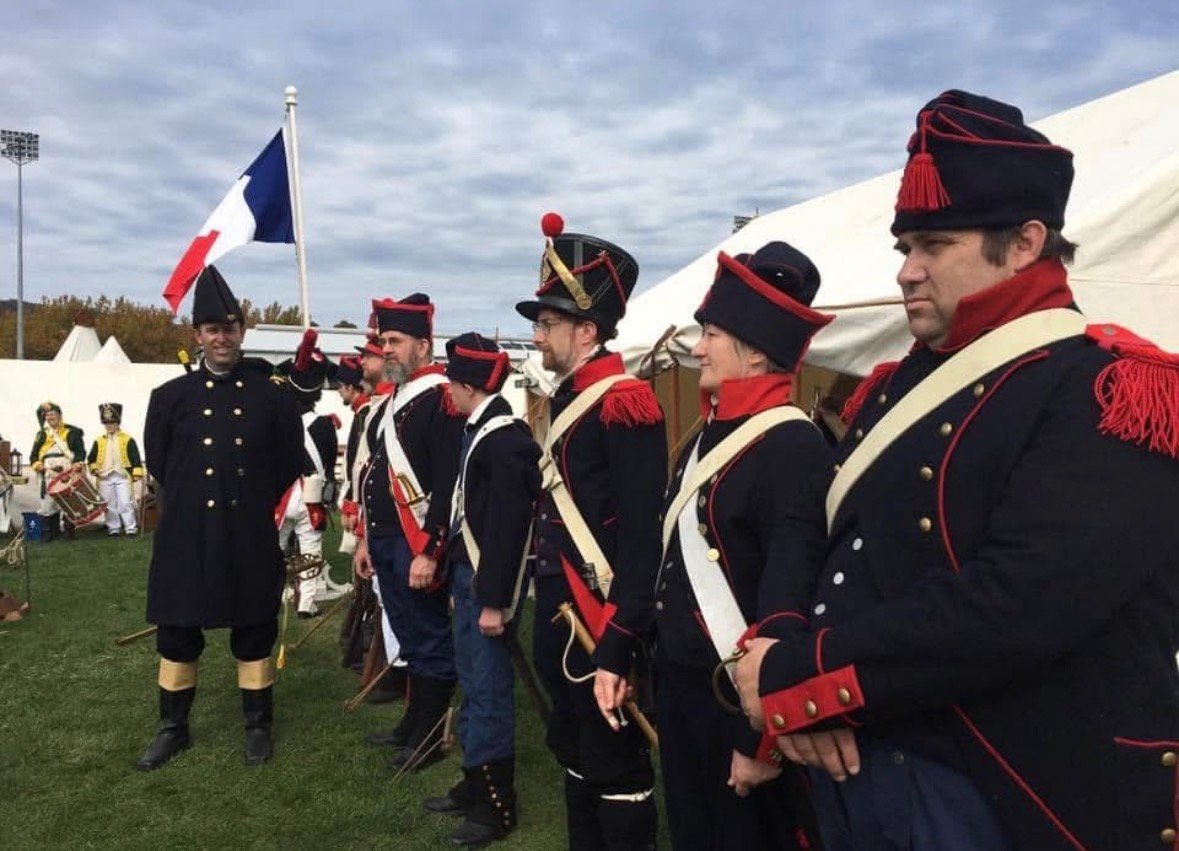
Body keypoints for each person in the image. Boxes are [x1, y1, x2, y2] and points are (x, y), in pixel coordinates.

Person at [733, 90, 1179, 850]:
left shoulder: (1108, 388)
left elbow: (1016, 604)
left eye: (933, 244)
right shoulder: (891, 388)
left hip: (1004, 788)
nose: (906, 271)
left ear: (1025, 241)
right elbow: (814, 519)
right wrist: (773, 646)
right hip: (859, 761)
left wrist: (801, 677)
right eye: (904, 247)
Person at [652, 243, 833, 850]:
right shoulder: (710, 434)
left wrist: (762, 741)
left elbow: (789, 601)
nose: (698, 347)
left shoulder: (792, 448)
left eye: (711, 334)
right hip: (683, 689)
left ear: (755, 351)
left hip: (741, 709)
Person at [516, 213, 667, 850]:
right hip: (560, 613)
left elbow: (641, 540)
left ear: (586, 329)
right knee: (575, 752)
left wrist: (619, 643)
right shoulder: (573, 399)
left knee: (616, 767)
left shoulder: (623, 402)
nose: (537, 333)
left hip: (602, 618)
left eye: (548, 322)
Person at [136, 265, 303, 771]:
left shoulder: (273, 398)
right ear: (198, 336)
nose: (222, 337)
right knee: (178, 632)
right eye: (212, 329)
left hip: (246, 531)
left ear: (242, 332)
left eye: (230, 328)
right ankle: (173, 728)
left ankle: (257, 725)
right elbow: (160, 463)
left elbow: (286, 463)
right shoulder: (169, 399)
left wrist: (245, 499)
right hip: (186, 534)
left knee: (253, 628)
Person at [421, 332, 541, 846]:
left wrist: (494, 600)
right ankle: (475, 785)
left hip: (489, 585)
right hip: (470, 579)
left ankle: (496, 807)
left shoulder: (506, 438)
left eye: (452, 380)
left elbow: (511, 527)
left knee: (490, 691)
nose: (447, 389)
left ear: (468, 384)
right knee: (472, 685)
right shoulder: (482, 431)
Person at [353, 293, 465, 772]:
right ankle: (412, 723)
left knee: (429, 639)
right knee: (408, 634)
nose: (388, 349)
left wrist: (431, 549)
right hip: (386, 539)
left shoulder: (440, 397)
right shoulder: (394, 399)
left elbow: (447, 481)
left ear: (425, 344)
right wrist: (365, 538)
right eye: (384, 341)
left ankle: (428, 736)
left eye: (396, 341)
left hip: (415, 541)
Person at [273, 328, 343, 617]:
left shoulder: (277, 419)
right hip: (310, 494)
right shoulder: (325, 426)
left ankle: (272, 595)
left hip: (282, 493)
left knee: (274, 549)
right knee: (311, 550)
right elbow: (327, 464)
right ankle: (306, 603)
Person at [29, 401, 86, 542]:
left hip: (67, 467)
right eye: (47, 415)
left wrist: (78, 464)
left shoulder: (73, 431)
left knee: (68, 499)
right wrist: (38, 465)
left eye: (53, 414)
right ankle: (50, 532)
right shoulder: (42, 435)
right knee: (49, 500)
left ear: (60, 415)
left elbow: (80, 452)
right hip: (48, 470)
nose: (50, 417)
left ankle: (68, 532)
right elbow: (33, 456)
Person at [87, 403, 144, 536]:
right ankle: (114, 528)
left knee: (125, 502)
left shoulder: (127, 439)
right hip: (104, 476)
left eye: (112, 423)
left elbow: (135, 456)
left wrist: (137, 471)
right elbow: (91, 459)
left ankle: (130, 527)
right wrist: (94, 468)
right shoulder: (98, 441)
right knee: (108, 504)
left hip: (122, 475)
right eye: (107, 424)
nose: (110, 426)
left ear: (118, 423)